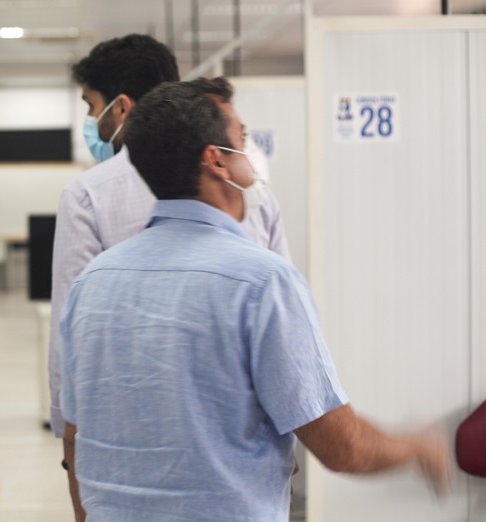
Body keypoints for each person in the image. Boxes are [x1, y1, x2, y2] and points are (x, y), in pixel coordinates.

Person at [59, 78, 452, 521]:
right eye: (242, 140)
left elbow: (76, 436)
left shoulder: (92, 282)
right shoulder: (262, 282)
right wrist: (417, 445)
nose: (253, 155)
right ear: (217, 161)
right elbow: (343, 448)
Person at [48, 34, 290, 517]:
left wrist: (70, 447)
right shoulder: (247, 188)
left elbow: (69, 337)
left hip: (129, 445)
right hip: (237, 450)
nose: (89, 121)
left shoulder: (89, 194)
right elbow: (285, 329)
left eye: (90, 105)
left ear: (119, 108)